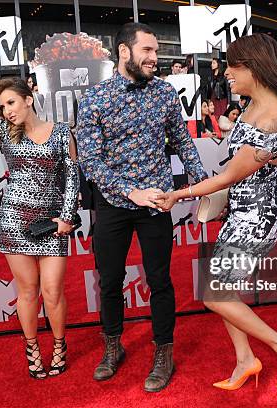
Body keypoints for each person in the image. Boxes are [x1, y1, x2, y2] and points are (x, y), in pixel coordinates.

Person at [157, 33, 277, 391]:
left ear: (253, 67)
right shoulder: (253, 105)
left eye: (233, 65)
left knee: (215, 295)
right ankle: (246, 360)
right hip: (241, 212)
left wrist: (176, 195)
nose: (227, 73)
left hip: (257, 218)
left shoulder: (271, 115)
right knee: (223, 292)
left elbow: (229, 174)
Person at [76, 22, 207, 392]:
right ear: (124, 52)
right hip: (114, 204)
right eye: (147, 50)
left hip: (157, 204)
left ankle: (164, 351)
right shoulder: (94, 100)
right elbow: (91, 161)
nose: (155, 57)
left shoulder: (165, 93)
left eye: (155, 51)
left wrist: (201, 187)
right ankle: (113, 346)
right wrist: (129, 191)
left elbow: (183, 143)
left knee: (160, 280)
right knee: (111, 281)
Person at [0, 12, 79, 379]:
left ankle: (59, 344)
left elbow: (73, 179)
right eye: (1, 108)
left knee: (53, 291)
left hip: (53, 223)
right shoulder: (7, 136)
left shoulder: (61, 132)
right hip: (14, 221)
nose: (6, 111)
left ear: (29, 98)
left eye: (11, 103)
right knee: (27, 293)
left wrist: (66, 217)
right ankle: (32, 349)